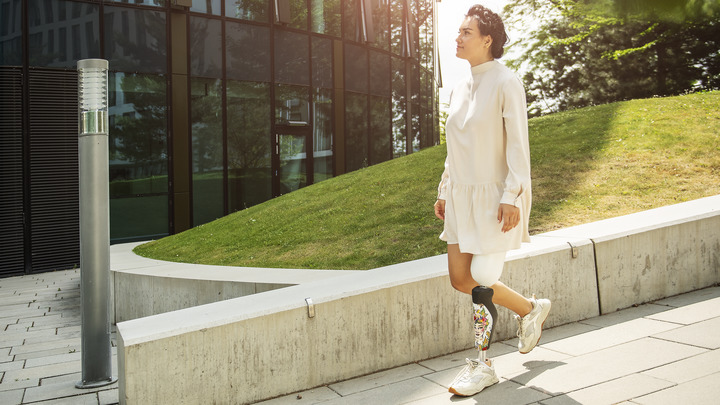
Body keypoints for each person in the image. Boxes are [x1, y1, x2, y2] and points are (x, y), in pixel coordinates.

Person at [433, 4, 551, 397]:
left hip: (495, 198)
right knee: (460, 279)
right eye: (459, 31)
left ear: (488, 40)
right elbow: (456, 146)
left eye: (467, 32)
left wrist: (513, 196)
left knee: (481, 280)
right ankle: (530, 309)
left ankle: (483, 366)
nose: (458, 37)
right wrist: (444, 189)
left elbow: (519, 146)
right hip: (461, 197)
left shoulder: (506, 82)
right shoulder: (459, 86)